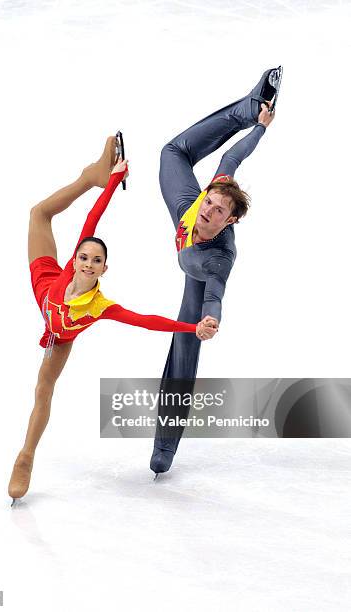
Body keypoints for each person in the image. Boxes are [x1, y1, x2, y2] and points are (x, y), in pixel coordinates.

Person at [8, 137, 216, 503]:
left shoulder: (99, 305)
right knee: (38, 213)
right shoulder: (68, 266)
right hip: (45, 282)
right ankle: (91, 176)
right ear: (76, 259)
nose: (88, 263)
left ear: (105, 268)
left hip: (61, 335)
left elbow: (146, 320)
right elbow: (92, 220)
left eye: (95, 261)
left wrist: (191, 327)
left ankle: (25, 457)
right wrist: (110, 184)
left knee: (43, 389)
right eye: (84, 257)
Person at [150, 67, 282, 475]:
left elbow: (214, 294)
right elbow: (231, 157)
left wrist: (211, 319)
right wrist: (259, 127)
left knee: (185, 346)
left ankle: (165, 449)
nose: (210, 211)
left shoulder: (219, 258)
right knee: (173, 152)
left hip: (196, 267)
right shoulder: (205, 199)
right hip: (180, 219)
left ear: (229, 221)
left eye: (218, 211)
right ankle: (250, 105)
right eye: (210, 202)